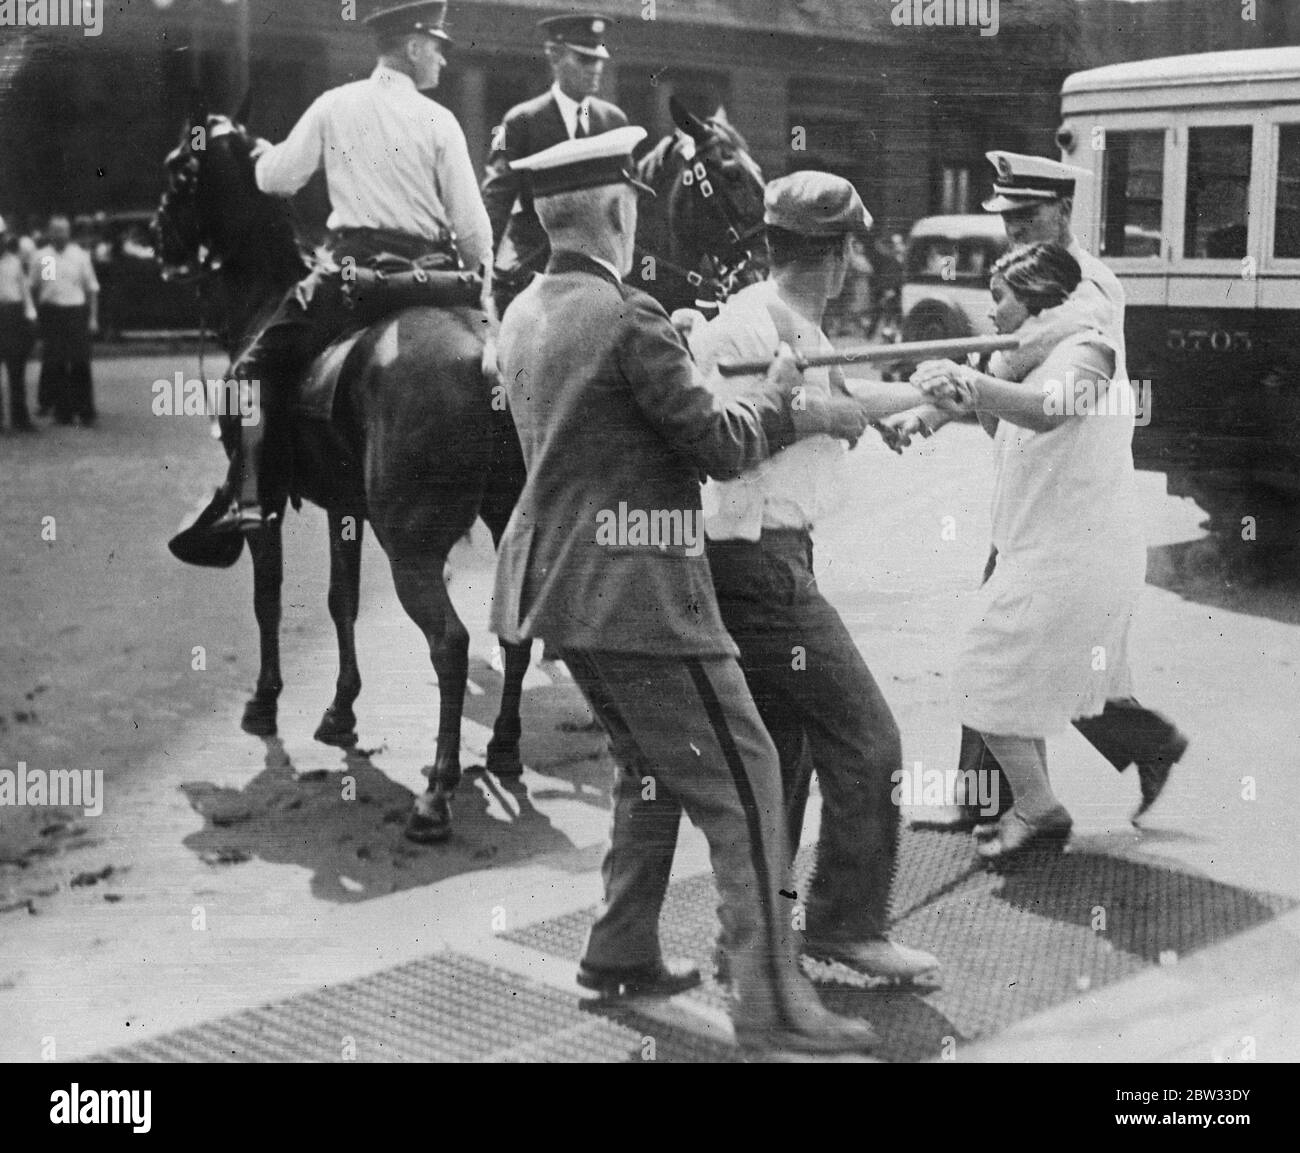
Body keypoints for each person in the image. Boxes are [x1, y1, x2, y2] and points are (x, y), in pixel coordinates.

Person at [493, 127, 880, 1057]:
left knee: (651, 773)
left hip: (555, 590)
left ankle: (619, 949)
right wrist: (782, 394)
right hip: (643, 597)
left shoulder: (523, 312)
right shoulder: (630, 318)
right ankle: (772, 1007)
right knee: (746, 790)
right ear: (622, 211)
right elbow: (720, 446)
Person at [690, 171, 939, 984]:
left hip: (772, 559)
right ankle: (845, 926)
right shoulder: (745, 328)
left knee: (784, 755)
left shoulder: (787, 321)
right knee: (869, 740)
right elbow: (724, 438)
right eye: (851, 251)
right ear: (836, 256)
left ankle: (749, 936)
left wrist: (922, 394)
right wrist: (824, 415)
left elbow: (843, 394)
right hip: (754, 559)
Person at [890, 151, 1188, 828]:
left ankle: (1007, 800)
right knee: (1039, 651)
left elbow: (1049, 379)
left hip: (1074, 494)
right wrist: (928, 414)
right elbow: (999, 360)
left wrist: (965, 385)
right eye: (1008, 218)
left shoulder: (1092, 290)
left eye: (1028, 216)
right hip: (1034, 493)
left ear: (1063, 211)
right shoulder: (1026, 285)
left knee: (1007, 648)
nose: (1016, 230)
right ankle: (1123, 752)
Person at [911, 242, 1152, 863]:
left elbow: (1049, 411)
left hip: (1079, 550)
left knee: (977, 672)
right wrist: (932, 411)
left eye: (999, 298)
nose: (989, 312)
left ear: (1037, 296)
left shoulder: (1091, 350)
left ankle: (1040, 809)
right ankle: (1035, 808)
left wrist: (970, 378)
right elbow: (1005, 414)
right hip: (1040, 547)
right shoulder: (1026, 356)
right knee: (1014, 684)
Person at [211, 0, 491, 532]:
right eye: (439, 47)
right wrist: (486, 302)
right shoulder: (442, 121)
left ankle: (247, 499)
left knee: (249, 372)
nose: (444, 61)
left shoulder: (333, 105)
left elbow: (276, 181)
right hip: (432, 277)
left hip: (352, 277)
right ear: (412, 47)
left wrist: (257, 154)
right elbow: (473, 229)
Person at [480, 12, 628, 320]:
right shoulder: (521, 121)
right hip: (535, 259)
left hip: (598, 257)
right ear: (555, 56)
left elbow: (626, 197)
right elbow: (497, 198)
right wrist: (481, 268)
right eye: (585, 60)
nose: (595, 69)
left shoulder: (613, 121)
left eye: (598, 60)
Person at [30, 213, 99, 427]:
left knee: (80, 362)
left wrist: (93, 318)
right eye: (55, 230)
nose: (59, 235)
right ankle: (63, 411)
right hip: (53, 313)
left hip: (76, 312)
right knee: (57, 363)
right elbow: (42, 287)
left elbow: (91, 289)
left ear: (69, 233)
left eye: (63, 230)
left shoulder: (80, 256)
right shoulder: (45, 257)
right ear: (49, 233)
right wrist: (37, 314)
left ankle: (85, 410)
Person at [0, 216, 38, 433]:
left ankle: (20, 418)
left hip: (12, 316)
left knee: (17, 370)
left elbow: (25, 293)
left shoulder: (14, 263)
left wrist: (31, 315)